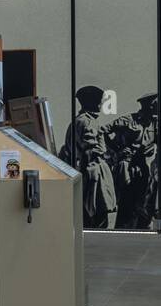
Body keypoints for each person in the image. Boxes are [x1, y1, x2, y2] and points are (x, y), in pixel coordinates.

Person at [59, 85, 117, 228]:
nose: (102, 104)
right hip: (93, 171)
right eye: (99, 101)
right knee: (98, 210)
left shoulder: (81, 120)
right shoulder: (87, 122)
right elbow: (91, 150)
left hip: (87, 171)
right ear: (93, 102)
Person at [109, 93, 158, 229]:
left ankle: (140, 230)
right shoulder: (129, 120)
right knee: (127, 203)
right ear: (148, 105)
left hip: (144, 168)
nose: (156, 107)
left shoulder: (154, 123)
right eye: (154, 104)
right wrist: (117, 151)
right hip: (128, 167)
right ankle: (124, 231)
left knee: (142, 203)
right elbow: (104, 131)